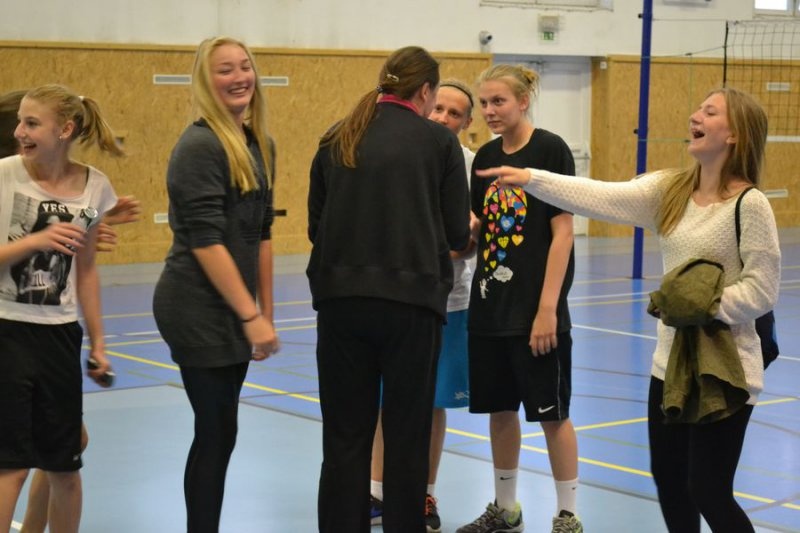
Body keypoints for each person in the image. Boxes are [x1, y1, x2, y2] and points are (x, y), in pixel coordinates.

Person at [476, 87, 780, 532]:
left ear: (734, 134)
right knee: (672, 485)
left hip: (726, 371)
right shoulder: (670, 190)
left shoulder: (750, 205)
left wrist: (704, 305)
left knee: (708, 489)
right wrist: (531, 178)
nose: (695, 115)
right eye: (698, 107)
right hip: (669, 367)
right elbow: (600, 195)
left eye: (710, 111)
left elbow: (762, 289)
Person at [308, 47, 472, 533]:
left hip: (341, 302)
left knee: (344, 438)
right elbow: (456, 233)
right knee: (406, 437)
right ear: (425, 92)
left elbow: (317, 227)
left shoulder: (337, 135)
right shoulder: (438, 143)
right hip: (411, 308)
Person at [152, 36, 279, 533]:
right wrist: (249, 315)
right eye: (225, 69)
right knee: (216, 430)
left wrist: (264, 312)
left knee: (222, 433)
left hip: (234, 308)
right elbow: (206, 243)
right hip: (195, 306)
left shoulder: (260, 143)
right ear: (206, 81)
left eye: (245, 66)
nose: (239, 77)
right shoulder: (199, 146)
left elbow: (262, 232)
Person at [1, 88, 140, 533]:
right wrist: (35, 241)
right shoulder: (5, 176)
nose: (19, 132)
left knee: (65, 464)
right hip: (8, 332)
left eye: (31, 123)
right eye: (19, 122)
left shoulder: (95, 187)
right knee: (12, 467)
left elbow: (87, 271)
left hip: (60, 336)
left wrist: (98, 343)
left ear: (65, 130)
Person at [457, 64, 583, 533]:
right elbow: (481, 232)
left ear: (523, 101)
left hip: (536, 312)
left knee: (553, 415)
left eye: (498, 101)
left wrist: (548, 309)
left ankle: (567, 514)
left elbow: (563, 233)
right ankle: (506, 508)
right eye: (484, 103)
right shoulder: (486, 157)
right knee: (500, 411)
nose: (489, 111)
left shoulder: (550, 150)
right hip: (490, 308)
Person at [368, 78, 477, 533]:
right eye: (439, 109)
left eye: (456, 113)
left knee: (432, 403)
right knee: (384, 398)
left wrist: (436, 250)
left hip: (449, 301)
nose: (444, 118)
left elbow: (469, 239)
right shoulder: (399, 151)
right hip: (396, 295)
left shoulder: (471, 165)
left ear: (466, 123)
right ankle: (376, 492)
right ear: (425, 105)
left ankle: (424, 493)